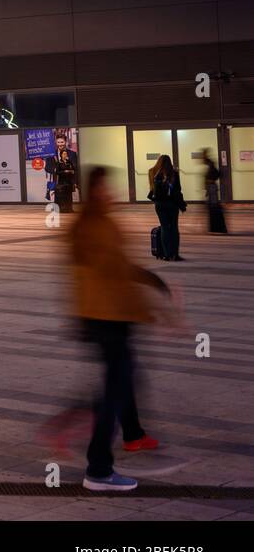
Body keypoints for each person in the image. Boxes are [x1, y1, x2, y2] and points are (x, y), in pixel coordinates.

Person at [68, 166, 181, 492]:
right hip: (106, 318)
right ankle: (99, 469)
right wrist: (154, 305)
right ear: (93, 191)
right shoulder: (91, 227)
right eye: (104, 189)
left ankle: (132, 435)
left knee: (124, 379)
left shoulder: (97, 223)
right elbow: (113, 274)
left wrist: (155, 283)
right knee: (115, 388)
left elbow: (120, 269)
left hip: (109, 318)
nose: (111, 194)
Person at [147, 154, 187, 262]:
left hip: (160, 205)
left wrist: (157, 201)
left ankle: (166, 254)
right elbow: (178, 190)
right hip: (172, 204)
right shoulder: (174, 174)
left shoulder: (153, 172)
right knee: (174, 228)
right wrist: (182, 204)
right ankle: (175, 254)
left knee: (164, 227)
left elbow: (152, 190)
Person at [50, 131, 79, 214]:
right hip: (57, 179)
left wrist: (75, 181)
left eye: (62, 142)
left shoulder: (72, 154)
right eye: (58, 142)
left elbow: (75, 168)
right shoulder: (52, 154)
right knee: (57, 196)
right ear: (56, 142)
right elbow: (48, 167)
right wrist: (56, 170)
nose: (60, 144)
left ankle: (68, 209)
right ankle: (57, 209)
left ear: (65, 142)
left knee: (68, 196)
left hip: (68, 180)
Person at [202, 149, 227, 235]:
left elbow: (215, 175)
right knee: (213, 206)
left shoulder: (210, 164)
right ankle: (216, 228)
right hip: (211, 187)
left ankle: (217, 228)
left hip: (211, 188)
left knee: (213, 207)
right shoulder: (210, 164)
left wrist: (208, 184)